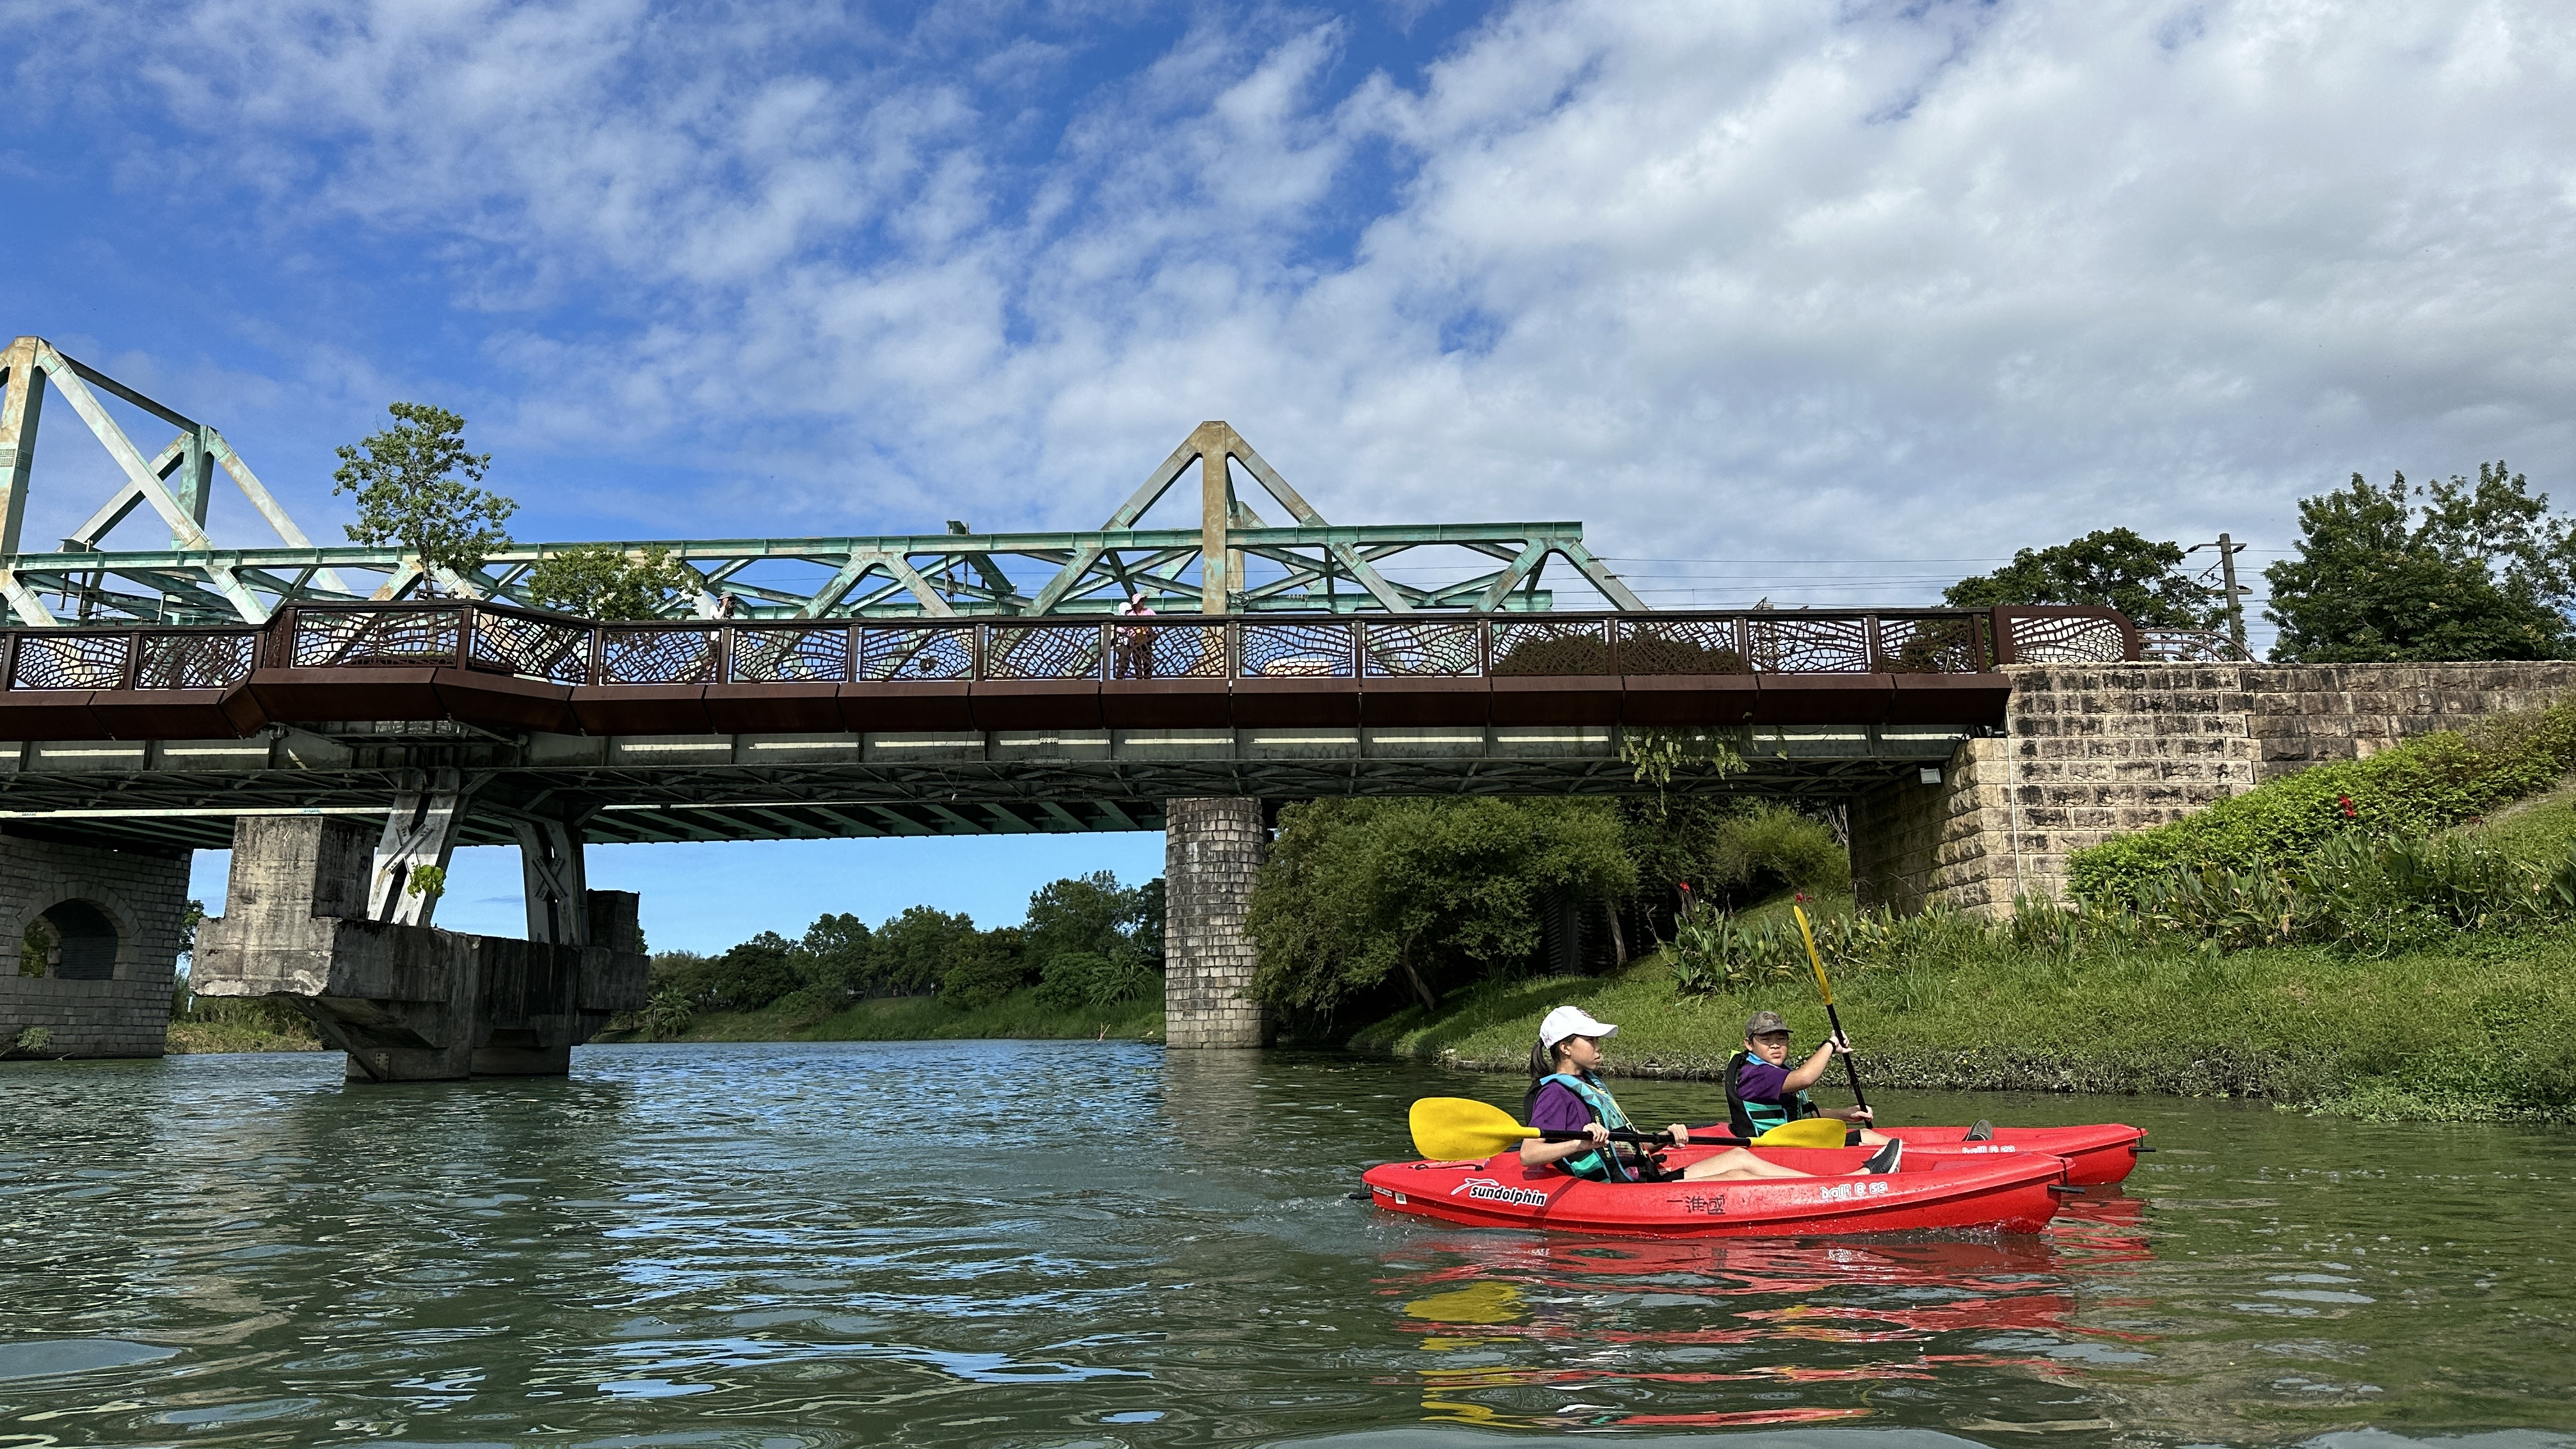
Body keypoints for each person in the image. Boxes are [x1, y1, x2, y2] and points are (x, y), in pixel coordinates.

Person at [1521, 1005, 1900, 1183]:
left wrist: (1658, 1142)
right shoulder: (1554, 1094)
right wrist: (1579, 1142)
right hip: (1624, 1191)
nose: (1600, 1045)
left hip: (1644, 1174)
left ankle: (1838, 1184)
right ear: (1565, 1048)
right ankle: (1842, 1186)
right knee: (1739, 1172)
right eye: (1591, 1039)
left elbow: (1615, 1148)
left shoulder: (1589, 1084)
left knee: (1737, 1156)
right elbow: (1530, 1152)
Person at [1725, 1010, 1890, 1146]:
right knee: (1868, 1139)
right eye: (1766, 1040)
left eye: (1781, 1039)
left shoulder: (1777, 1070)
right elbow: (1806, 1078)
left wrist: (1846, 1114)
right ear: (1749, 1044)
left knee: (1866, 1136)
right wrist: (1831, 1044)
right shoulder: (1757, 1076)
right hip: (1772, 1148)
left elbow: (1802, 1115)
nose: (1775, 1045)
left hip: (1791, 1142)